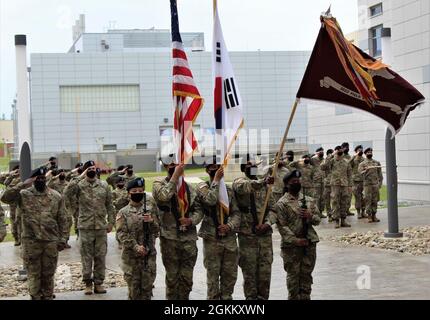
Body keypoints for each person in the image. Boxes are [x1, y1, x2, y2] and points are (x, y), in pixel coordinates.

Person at [1, 167, 68, 300]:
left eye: (43, 178)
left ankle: (48, 296)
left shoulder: (55, 196)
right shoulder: (24, 194)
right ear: (33, 179)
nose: (41, 180)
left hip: (50, 241)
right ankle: (35, 297)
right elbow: (5, 198)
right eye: (38, 178)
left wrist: (63, 239)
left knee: (48, 273)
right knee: (33, 273)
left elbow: (62, 219)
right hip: (31, 242)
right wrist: (23, 183)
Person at [152, 155, 203, 300]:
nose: (175, 167)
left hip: (188, 239)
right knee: (173, 278)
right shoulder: (158, 184)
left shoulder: (189, 188)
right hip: (170, 238)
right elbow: (163, 197)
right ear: (166, 167)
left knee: (187, 279)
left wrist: (191, 220)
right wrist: (175, 177)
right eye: (172, 165)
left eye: (177, 164)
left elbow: (198, 210)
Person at [64, 160, 115, 295]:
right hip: (85, 226)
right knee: (86, 256)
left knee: (100, 256)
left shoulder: (103, 185)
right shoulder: (79, 185)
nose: (92, 170)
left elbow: (110, 205)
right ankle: (87, 283)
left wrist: (111, 222)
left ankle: (98, 283)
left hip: (100, 227)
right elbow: (66, 193)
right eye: (89, 168)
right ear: (85, 170)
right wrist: (80, 176)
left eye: (94, 168)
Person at [269, 170, 320, 300]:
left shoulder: (308, 200)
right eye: (293, 182)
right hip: (291, 247)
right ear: (287, 185)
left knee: (306, 277)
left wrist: (310, 216)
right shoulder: (282, 203)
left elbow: (317, 220)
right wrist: (295, 240)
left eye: (298, 181)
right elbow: (282, 225)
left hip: (309, 244)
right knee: (293, 280)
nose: (296, 183)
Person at [195, 157, 241, 300]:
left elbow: (236, 213)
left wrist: (229, 226)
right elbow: (211, 199)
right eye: (211, 167)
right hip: (212, 239)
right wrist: (216, 181)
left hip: (229, 240)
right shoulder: (202, 187)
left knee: (230, 276)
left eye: (217, 166)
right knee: (213, 277)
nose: (214, 169)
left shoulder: (228, 190)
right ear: (207, 170)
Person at [233, 154, 275, 300]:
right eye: (249, 166)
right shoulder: (240, 182)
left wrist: (267, 224)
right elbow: (246, 187)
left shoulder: (266, 187)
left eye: (255, 166)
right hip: (247, 238)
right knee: (250, 276)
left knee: (265, 276)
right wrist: (264, 182)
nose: (253, 168)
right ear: (244, 168)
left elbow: (273, 209)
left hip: (264, 238)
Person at [116, 178, 160, 300]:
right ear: (129, 193)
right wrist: (136, 247)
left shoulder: (149, 210)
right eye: (134, 191)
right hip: (131, 259)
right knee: (134, 292)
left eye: (140, 191)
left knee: (147, 291)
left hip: (148, 256)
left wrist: (151, 221)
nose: (137, 193)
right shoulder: (123, 212)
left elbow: (157, 230)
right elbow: (122, 234)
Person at [321, 146, 352, 228]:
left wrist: (350, 185)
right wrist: (330, 155)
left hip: (344, 184)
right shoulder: (331, 161)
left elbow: (349, 174)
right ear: (335, 151)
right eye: (338, 149)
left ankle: (343, 220)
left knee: (344, 202)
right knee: (335, 202)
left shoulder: (346, 161)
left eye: (341, 149)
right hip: (335, 184)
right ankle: (336, 221)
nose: (340, 151)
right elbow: (323, 167)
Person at [358, 148, 383, 223]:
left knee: (375, 200)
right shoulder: (362, 164)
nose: (369, 153)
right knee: (368, 200)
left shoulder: (376, 163)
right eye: (368, 152)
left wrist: (380, 183)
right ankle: (369, 216)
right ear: (365, 154)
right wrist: (365, 170)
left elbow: (380, 174)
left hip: (375, 184)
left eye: (370, 152)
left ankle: (374, 215)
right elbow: (360, 173)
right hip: (367, 185)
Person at [112, 176, 129, 249]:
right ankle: (119, 242)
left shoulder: (127, 191)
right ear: (116, 184)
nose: (121, 183)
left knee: (127, 227)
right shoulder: (114, 192)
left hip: (127, 211)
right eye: (120, 182)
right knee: (119, 227)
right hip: (117, 211)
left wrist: (127, 198)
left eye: (123, 182)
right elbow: (113, 202)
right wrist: (120, 199)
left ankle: (127, 241)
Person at [350, 145, 366, 219]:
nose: (361, 151)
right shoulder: (353, 159)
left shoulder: (364, 159)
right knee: (358, 197)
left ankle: (363, 211)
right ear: (356, 151)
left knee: (364, 197)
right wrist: (354, 156)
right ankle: (358, 212)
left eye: (361, 150)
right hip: (355, 181)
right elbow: (348, 164)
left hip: (363, 180)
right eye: (359, 150)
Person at [311, 147, 325, 217]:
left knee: (322, 197)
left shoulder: (324, 160)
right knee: (317, 197)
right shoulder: (313, 159)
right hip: (316, 181)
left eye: (322, 151)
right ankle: (316, 213)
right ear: (316, 152)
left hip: (323, 180)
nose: (322, 152)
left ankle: (321, 212)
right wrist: (315, 155)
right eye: (320, 151)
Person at [341, 142, 354, 216]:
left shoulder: (349, 156)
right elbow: (345, 164)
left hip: (348, 179)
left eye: (348, 147)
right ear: (342, 148)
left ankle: (347, 210)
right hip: (341, 180)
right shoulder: (340, 156)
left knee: (349, 196)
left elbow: (351, 167)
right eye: (345, 147)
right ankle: (342, 212)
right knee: (342, 197)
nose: (347, 148)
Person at [322, 149, 334, 221]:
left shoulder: (335, 161)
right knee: (327, 200)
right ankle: (329, 215)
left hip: (335, 183)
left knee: (335, 200)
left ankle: (334, 214)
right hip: (327, 184)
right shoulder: (325, 162)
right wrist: (330, 156)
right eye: (331, 154)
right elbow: (323, 166)